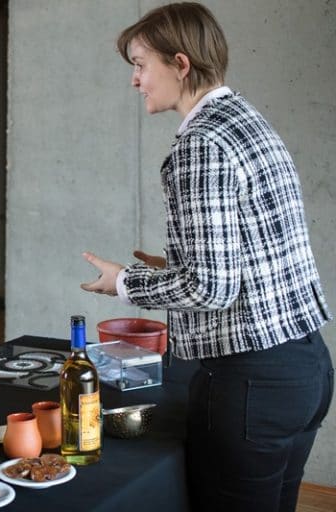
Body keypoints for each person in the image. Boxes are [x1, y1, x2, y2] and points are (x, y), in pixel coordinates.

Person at [80, 3, 333, 512]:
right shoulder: (245, 120)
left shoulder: (200, 144)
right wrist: (168, 269)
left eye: (140, 64)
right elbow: (245, 257)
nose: (135, 81)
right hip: (304, 368)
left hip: (250, 382)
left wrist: (125, 282)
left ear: (180, 64)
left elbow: (211, 289)